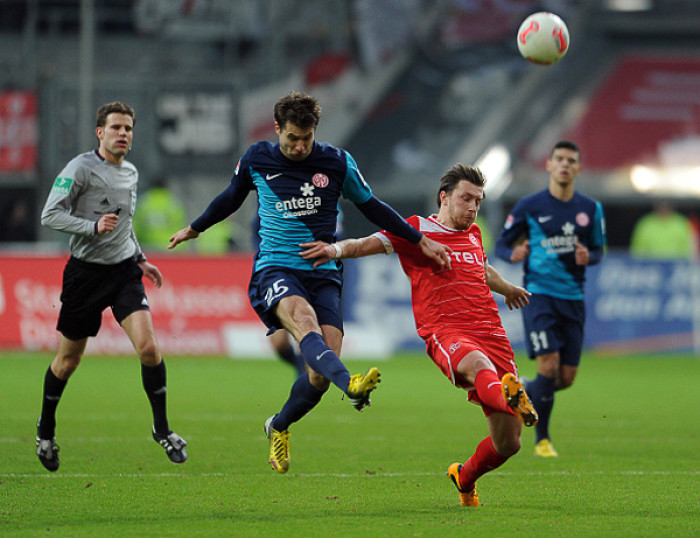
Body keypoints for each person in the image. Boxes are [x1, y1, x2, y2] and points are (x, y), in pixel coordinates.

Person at [168, 91, 452, 474]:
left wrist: (418, 239)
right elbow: (230, 198)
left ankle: (278, 425)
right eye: (292, 138)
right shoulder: (257, 158)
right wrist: (196, 227)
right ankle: (351, 385)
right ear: (277, 130)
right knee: (304, 324)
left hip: (324, 274)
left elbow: (371, 206)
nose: (300, 146)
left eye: (307, 138)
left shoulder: (336, 162)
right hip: (276, 269)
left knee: (318, 374)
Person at [299, 163, 537, 507]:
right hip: (448, 330)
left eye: (478, 202)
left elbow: (481, 268)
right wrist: (333, 250)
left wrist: (508, 288)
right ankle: (512, 397)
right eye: (466, 199)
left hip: (492, 333)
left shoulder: (472, 233)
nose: (472, 208)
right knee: (477, 365)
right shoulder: (415, 230)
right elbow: (364, 244)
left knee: (509, 443)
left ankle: (464, 477)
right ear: (444, 196)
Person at [37, 101, 187, 472]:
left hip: (123, 272)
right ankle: (45, 430)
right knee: (69, 360)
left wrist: (140, 259)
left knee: (150, 348)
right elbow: (49, 214)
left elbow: (124, 225)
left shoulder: (131, 173)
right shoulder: (80, 169)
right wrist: (90, 227)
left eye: (128, 129)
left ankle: (162, 429)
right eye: (116, 128)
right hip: (85, 276)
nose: (123, 134)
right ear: (99, 132)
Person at [494, 140, 606, 458]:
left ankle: (525, 390)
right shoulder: (530, 206)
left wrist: (589, 256)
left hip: (573, 297)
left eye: (571, 160)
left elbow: (598, 250)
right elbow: (502, 244)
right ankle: (542, 439)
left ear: (579, 168)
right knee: (549, 364)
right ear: (549, 164)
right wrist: (513, 253)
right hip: (539, 295)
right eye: (559, 159)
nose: (565, 165)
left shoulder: (590, 209)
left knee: (565, 378)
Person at [131, 178, 187, 251]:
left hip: (148, 247)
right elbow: (180, 226)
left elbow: (135, 228)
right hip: (172, 248)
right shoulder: (174, 203)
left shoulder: (143, 203)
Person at [630, 201, 697, 259]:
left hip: (677, 269)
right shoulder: (645, 224)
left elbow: (691, 251)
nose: (663, 207)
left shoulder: (682, 223)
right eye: (660, 204)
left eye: (666, 204)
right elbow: (637, 253)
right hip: (651, 269)